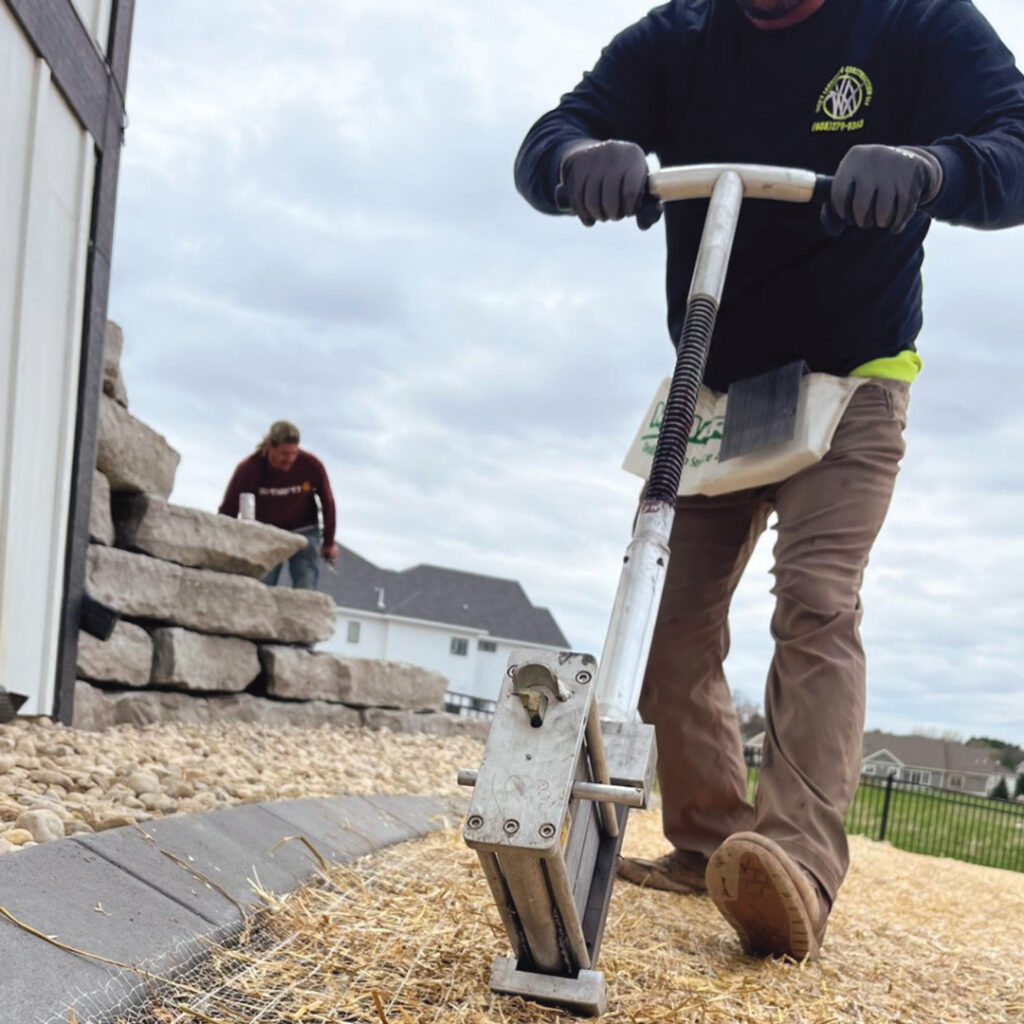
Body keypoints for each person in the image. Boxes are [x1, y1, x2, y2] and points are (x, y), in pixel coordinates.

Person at [515, 0, 1024, 961]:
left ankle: (793, 865)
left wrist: (931, 167)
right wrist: (579, 160)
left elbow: (1015, 144)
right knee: (669, 613)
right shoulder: (681, 38)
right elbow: (550, 136)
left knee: (818, 603)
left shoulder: (916, 25)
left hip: (853, 380)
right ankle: (710, 840)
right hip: (715, 384)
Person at [219, 420, 339, 590]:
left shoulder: (311, 466)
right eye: (284, 454)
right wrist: (223, 541)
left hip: (304, 530)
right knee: (260, 587)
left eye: (293, 453)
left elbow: (328, 502)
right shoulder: (249, 469)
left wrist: (329, 542)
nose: (289, 459)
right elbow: (229, 508)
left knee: (306, 584)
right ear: (270, 447)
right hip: (267, 533)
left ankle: (302, 614)